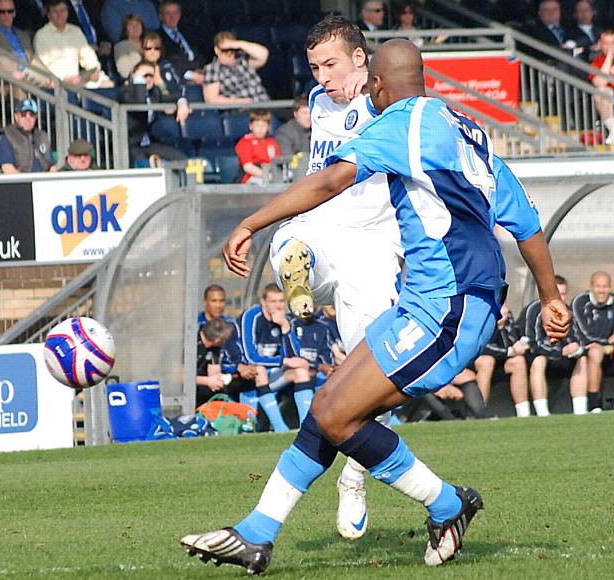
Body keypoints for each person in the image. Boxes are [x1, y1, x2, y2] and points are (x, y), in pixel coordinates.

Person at [181, 39, 570, 573]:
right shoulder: (467, 129)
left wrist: (252, 222)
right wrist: (550, 298)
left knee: (339, 414)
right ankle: (256, 533)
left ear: (380, 87)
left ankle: (448, 504)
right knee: (326, 408)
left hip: (450, 310)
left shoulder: (399, 126)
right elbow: (526, 223)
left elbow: (328, 182)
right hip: (433, 303)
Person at [268, 16, 403, 541]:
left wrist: (373, 85)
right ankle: (298, 279)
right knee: (289, 241)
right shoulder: (321, 100)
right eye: (315, 67)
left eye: (331, 64)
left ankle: (354, 474)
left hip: (372, 244)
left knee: (377, 383)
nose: (322, 76)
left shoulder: (385, 99)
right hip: (326, 225)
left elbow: (408, 67)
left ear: (362, 58)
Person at [237, 283, 312, 432]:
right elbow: (250, 357)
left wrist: (285, 327)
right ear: (264, 302)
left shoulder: (286, 319)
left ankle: (307, 428)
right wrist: (284, 361)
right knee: (260, 370)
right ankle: (280, 429)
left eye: (280, 301)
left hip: (272, 374)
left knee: (301, 371)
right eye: (273, 302)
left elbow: (294, 356)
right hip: (246, 375)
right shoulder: (252, 316)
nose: (278, 306)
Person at [520, 275, 586, 416]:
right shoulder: (533, 310)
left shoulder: (568, 311)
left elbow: (577, 337)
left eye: (563, 294)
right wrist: (559, 351)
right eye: (558, 295)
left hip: (562, 357)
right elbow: (532, 344)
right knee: (539, 361)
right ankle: (542, 412)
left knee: (583, 359)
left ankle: (581, 410)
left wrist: (576, 348)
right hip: (540, 357)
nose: (561, 299)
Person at [198, 285, 263, 404]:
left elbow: (238, 352)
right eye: (214, 301)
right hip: (203, 379)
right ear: (205, 302)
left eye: (222, 301)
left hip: (232, 376)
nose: (218, 305)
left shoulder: (231, 326)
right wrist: (237, 367)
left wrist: (241, 367)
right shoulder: (196, 326)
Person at [118, 60, 191, 166]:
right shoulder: (125, 91)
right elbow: (140, 104)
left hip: (148, 142)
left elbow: (174, 98)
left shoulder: (155, 92)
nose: (148, 79)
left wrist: (182, 103)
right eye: (144, 75)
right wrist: (138, 81)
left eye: (151, 76)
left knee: (181, 159)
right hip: (129, 144)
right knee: (144, 165)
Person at [474, 305, 531, 416]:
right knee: (487, 361)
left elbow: (512, 341)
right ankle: (481, 412)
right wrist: (496, 326)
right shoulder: (478, 314)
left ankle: (524, 413)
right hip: (475, 361)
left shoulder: (506, 316)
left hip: (500, 360)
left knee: (518, 361)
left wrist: (502, 327)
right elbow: (482, 347)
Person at [33, 0, 105, 87]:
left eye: (62, 10)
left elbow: (88, 56)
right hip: (56, 86)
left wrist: (94, 70)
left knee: (108, 85)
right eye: (55, 12)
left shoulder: (76, 31)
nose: (59, 15)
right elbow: (43, 67)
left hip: (79, 82)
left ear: (67, 12)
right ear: (49, 15)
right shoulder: (41, 35)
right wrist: (65, 80)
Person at [571, 270, 614, 412]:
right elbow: (583, 335)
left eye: (605, 286)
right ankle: (594, 405)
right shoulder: (580, 302)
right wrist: (606, 343)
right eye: (598, 286)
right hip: (584, 350)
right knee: (595, 352)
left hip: (608, 349)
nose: (601, 290)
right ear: (591, 286)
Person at [203, 31, 270, 104]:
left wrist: (238, 44)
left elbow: (264, 55)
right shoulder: (212, 69)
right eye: (225, 50)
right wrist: (243, 102)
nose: (229, 53)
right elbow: (211, 100)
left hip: (265, 104)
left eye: (232, 49)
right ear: (217, 50)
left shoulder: (243, 60)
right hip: (241, 110)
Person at [0, 98, 53, 173]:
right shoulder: (8, 136)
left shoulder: (42, 136)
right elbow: (8, 168)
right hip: (20, 182)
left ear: (36, 118)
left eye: (32, 115)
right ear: (16, 117)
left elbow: (51, 165)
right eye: (23, 114)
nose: (28, 118)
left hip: (43, 181)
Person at [157, 0, 206, 86]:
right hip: (179, 78)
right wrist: (190, 74)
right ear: (161, 16)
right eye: (168, 13)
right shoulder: (158, 37)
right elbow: (166, 60)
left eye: (175, 12)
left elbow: (198, 53)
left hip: (200, 73)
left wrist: (202, 69)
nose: (172, 16)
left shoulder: (188, 31)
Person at [196, 318, 234, 407]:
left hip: (204, 394)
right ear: (217, 340)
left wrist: (217, 379)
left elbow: (214, 369)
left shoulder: (215, 348)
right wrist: (207, 381)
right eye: (226, 339)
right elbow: (178, 376)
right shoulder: (191, 344)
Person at [235, 111, 280, 185]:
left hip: (271, 174)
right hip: (251, 178)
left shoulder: (272, 142)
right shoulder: (245, 142)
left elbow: (277, 163)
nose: (260, 129)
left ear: (268, 127)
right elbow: (248, 167)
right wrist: (267, 176)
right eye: (257, 125)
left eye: (264, 126)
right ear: (250, 126)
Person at [589, 28, 614, 144]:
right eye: (606, 43)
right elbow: (600, 83)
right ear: (600, 44)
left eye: (612, 43)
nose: (609, 46)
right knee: (601, 92)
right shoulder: (596, 62)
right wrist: (609, 57)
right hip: (611, 98)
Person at [114, 14, 145, 80]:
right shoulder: (120, 46)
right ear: (125, 29)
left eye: (138, 24)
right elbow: (125, 72)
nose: (135, 27)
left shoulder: (149, 43)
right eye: (131, 25)